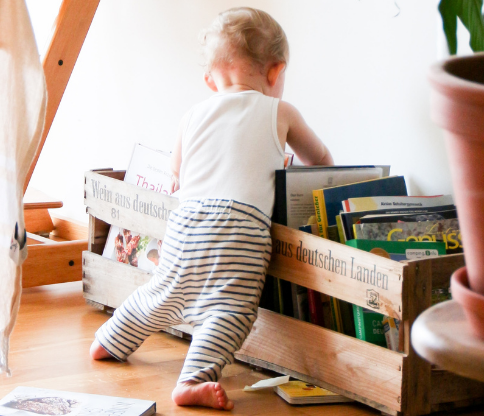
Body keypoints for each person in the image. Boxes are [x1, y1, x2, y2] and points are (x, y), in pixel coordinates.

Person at [89, 7, 333, 410]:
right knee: (231, 309)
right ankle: (193, 379)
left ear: (210, 80)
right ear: (275, 73)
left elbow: (176, 174)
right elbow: (321, 162)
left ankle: (109, 340)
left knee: (163, 292)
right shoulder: (281, 112)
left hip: (187, 222)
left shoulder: (192, 115)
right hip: (241, 227)